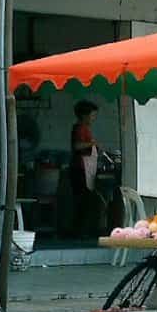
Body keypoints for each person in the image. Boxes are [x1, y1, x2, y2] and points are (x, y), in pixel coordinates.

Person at [69, 100, 103, 238]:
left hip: (84, 169)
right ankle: (79, 232)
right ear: (84, 115)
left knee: (85, 202)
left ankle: (81, 230)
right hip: (80, 169)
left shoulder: (85, 129)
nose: (93, 118)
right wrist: (92, 143)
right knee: (82, 202)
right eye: (92, 115)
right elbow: (77, 146)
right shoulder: (79, 128)